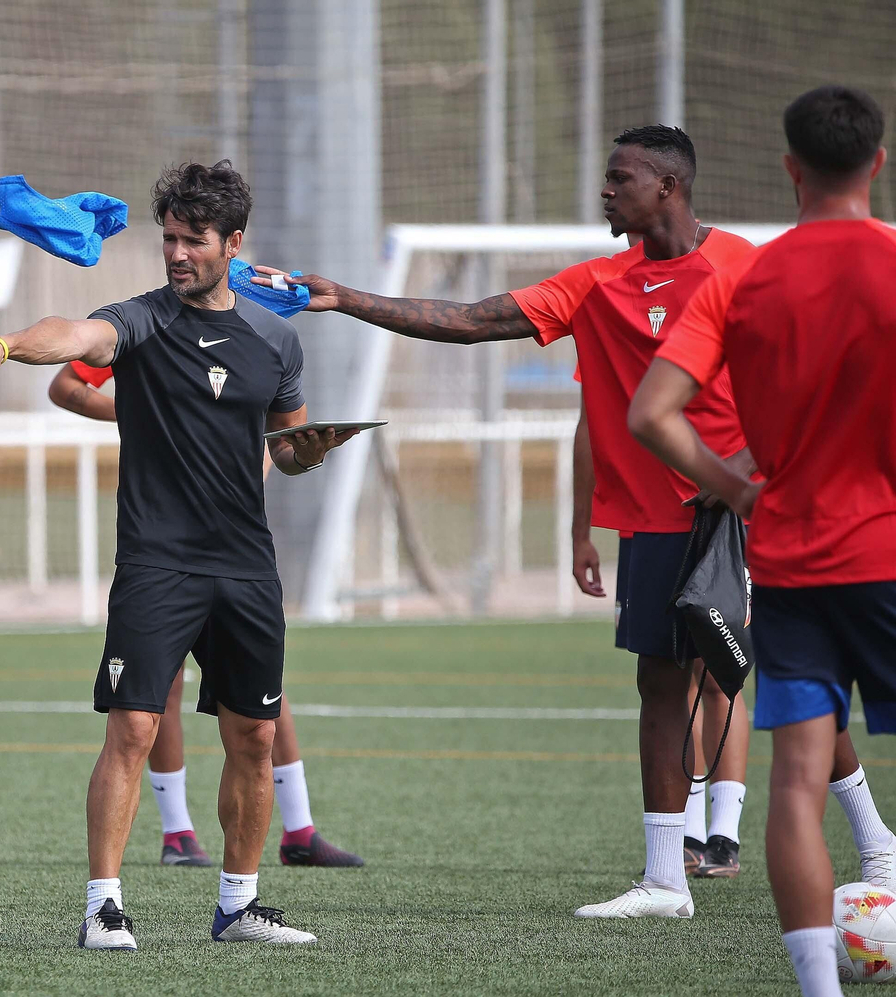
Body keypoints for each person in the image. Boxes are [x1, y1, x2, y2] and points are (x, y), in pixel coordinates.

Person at [258, 125, 753, 918]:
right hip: (656, 526)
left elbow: (791, 367)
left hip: (739, 510)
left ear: (667, 187)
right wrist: (346, 298)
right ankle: (667, 878)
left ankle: (869, 848)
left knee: (779, 674)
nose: (603, 192)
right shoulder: (597, 283)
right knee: (660, 684)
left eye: (619, 178)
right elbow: (469, 319)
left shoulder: (741, 268)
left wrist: (755, 473)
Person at [0, 160, 355, 950]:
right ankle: (103, 905)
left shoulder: (275, 340)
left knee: (255, 738)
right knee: (131, 727)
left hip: (245, 567)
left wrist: (311, 451)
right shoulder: (141, 320)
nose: (175, 253)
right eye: (167, 239)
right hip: (158, 563)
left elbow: (288, 446)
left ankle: (238, 905)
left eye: (192, 240)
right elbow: (75, 335)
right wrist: (5, 343)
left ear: (233, 244)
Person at [628, 85, 896, 997]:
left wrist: (736, 484)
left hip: (790, 560)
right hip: (889, 553)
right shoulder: (894, 263)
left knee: (796, 780)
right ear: (878, 163)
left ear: (789, 168)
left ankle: (818, 988)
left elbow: (651, 413)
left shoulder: (745, 278)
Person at [49, 359, 364, 869]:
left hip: (234, 542)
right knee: (156, 691)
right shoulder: (150, 323)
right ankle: (178, 833)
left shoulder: (264, 324)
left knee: (261, 697)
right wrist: (142, 416)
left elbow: (281, 435)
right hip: (165, 541)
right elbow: (66, 385)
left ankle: (299, 829)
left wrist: (267, 460)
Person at [570, 404, 750, 878]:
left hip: (717, 513)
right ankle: (686, 835)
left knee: (718, 678)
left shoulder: (710, 333)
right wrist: (581, 530)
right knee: (670, 678)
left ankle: (724, 838)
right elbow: (591, 422)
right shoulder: (612, 336)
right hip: (647, 523)